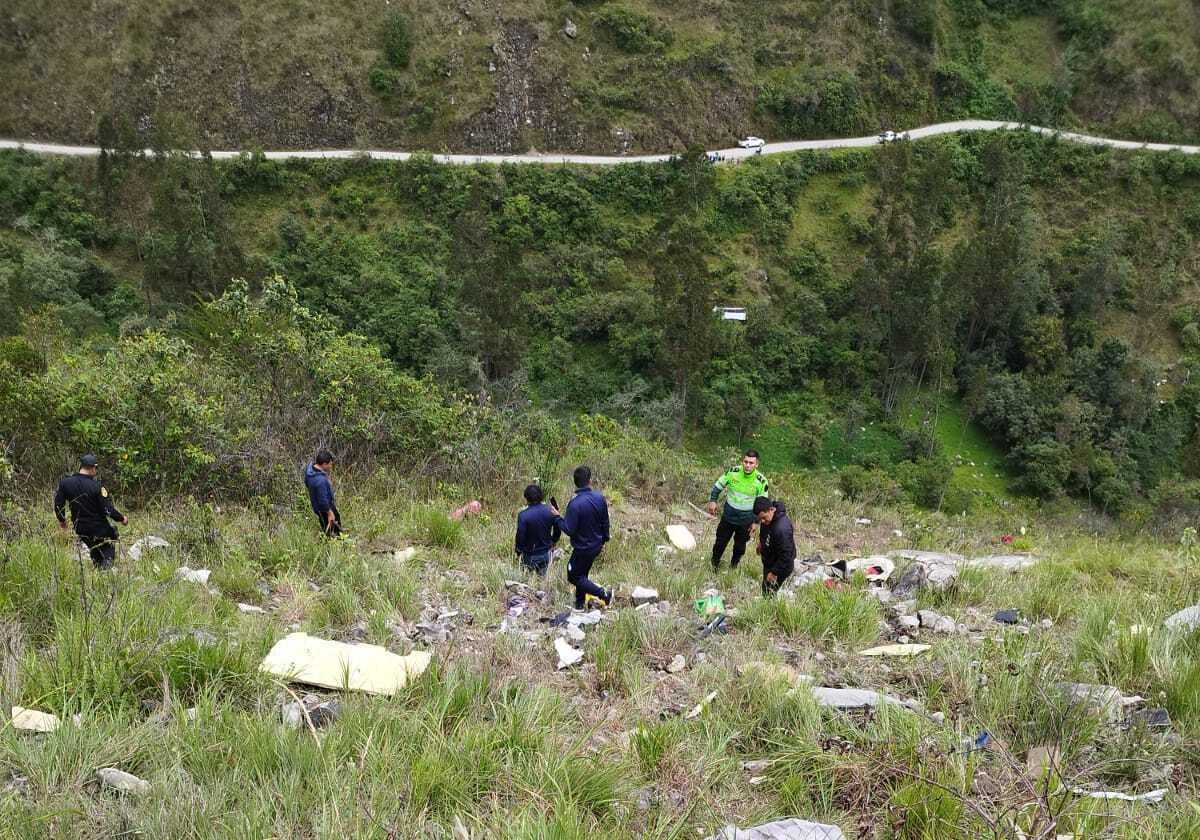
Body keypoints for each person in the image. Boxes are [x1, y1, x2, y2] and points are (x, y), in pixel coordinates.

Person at [553, 466, 613, 610]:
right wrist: (605, 539)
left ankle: (603, 593)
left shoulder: (575, 504)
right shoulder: (600, 497)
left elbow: (569, 529)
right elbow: (605, 521)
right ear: (590, 480)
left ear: (575, 482)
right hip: (597, 544)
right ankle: (579, 604)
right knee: (582, 574)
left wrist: (557, 517)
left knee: (573, 576)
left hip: (583, 548)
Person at [54, 453, 127, 569]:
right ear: (93, 468)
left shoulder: (65, 483)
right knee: (107, 549)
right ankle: (106, 575)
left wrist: (62, 520)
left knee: (93, 547)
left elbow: (58, 504)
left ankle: (98, 572)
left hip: (80, 528)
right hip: (99, 528)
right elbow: (108, 509)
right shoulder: (96, 486)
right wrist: (122, 518)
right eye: (96, 468)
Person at [706, 449, 769, 571]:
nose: (747, 465)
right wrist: (713, 500)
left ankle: (733, 568)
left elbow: (762, 505)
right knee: (720, 543)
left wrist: (756, 522)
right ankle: (714, 565)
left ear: (757, 464)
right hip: (728, 517)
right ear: (742, 461)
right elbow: (718, 485)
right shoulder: (733, 472)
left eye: (751, 463)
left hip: (746, 521)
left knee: (740, 548)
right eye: (745, 462)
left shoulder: (761, 481)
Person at [514, 484, 560, 576]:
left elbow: (520, 536)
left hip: (529, 555)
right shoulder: (550, 510)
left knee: (526, 582)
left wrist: (518, 551)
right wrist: (553, 541)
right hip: (545, 552)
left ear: (526, 498)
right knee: (542, 581)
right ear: (541, 496)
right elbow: (558, 529)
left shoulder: (523, 515)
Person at [753, 496, 795, 596]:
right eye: (760, 519)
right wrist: (761, 544)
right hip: (770, 560)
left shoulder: (781, 529)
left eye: (763, 518)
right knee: (765, 588)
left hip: (780, 567)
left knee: (768, 593)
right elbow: (765, 531)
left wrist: (774, 572)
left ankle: (771, 608)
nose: (762, 521)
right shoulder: (768, 519)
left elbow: (787, 556)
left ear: (771, 510)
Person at [304, 450, 342, 537]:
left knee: (326, 527)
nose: (331, 466)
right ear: (324, 464)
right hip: (325, 508)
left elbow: (306, 483)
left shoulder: (309, 470)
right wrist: (330, 513)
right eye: (330, 464)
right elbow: (323, 501)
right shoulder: (320, 481)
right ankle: (336, 546)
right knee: (333, 530)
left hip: (317, 506)